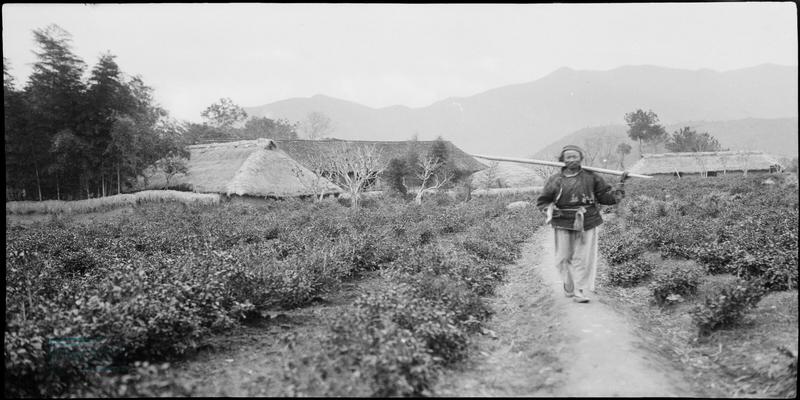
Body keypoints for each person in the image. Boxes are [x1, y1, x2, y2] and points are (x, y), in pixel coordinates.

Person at [535, 144, 628, 303]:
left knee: (582, 258)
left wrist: (620, 185)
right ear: (562, 160)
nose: (572, 159)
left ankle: (579, 290)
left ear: (580, 159)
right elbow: (543, 202)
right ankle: (568, 282)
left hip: (587, 220)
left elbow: (605, 197)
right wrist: (550, 209)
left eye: (575, 156)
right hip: (563, 221)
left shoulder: (591, 177)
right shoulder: (555, 180)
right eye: (568, 157)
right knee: (562, 258)